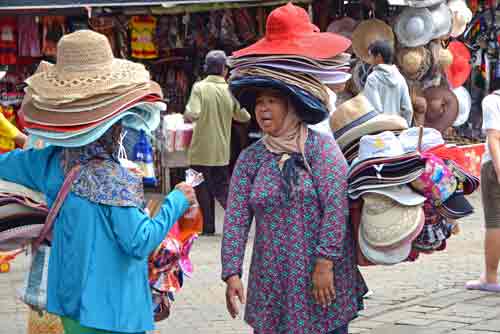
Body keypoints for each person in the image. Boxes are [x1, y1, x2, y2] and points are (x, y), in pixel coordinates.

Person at [0, 30, 197, 334]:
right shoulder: (114, 179)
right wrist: (176, 200)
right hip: (114, 311)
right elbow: (140, 241)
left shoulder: (49, 161)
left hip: (68, 302)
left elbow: (6, 164)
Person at [221, 89, 367, 334]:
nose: (263, 109)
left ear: (292, 108)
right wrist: (232, 273)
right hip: (272, 279)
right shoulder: (251, 158)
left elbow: (336, 207)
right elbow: (236, 218)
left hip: (320, 277)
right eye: (259, 102)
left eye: (272, 101)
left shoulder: (321, 149)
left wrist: (325, 263)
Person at [184, 50, 251, 235]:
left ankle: (207, 228)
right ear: (223, 69)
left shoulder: (199, 88)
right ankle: (239, 221)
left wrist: (185, 117)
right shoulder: (229, 90)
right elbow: (243, 116)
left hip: (200, 150)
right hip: (222, 151)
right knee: (223, 187)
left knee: (201, 188)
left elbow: (192, 113)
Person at [465, 92, 500, 292]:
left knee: (495, 221)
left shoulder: (492, 100)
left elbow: (494, 137)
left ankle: (491, 276)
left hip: (494, 165)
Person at [363, 40, 414, 126]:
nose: (370, 60)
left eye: (371, 56)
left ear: (379, 56)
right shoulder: (400, 78)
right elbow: (408, 109)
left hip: (378, 132)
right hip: (396, 130)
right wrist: (403, 128)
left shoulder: (373, 79)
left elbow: (374, 109)